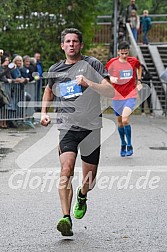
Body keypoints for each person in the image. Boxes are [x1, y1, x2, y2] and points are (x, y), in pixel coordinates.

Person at [40, 28, 114, 236]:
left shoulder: (92, 65)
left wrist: (88, 82)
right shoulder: (55, 69)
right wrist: (44, 112)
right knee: (66, 170)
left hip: (91, 128)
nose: (71, 44)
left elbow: (110, 91)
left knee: (89, 179)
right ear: (62, 46)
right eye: (68, 41)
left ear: (80, 45)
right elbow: (49, 89)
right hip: (67, 127)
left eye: (75, 41)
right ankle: (66, 217)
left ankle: (82, 195)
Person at [106, 41, 142, 157]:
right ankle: (123, 143)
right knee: (120, 122)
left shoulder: (133, 61)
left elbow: (139, 67)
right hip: (117, 96)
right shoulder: (112, 62)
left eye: (126, 53)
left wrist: (139, 80)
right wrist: (111, 78)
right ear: (118, 52)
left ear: (128, 51)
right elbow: (105, 73)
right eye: (122, 54)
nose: (125, 56)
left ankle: (130, 145)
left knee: (125, 119)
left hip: (130, 95)